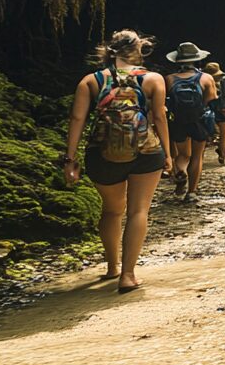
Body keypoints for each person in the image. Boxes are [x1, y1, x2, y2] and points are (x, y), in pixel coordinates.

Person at [62, 30, 171, 293]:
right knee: (138, 211)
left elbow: (77, 120)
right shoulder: (153, 79)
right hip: (146, 152)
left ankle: (112, 266)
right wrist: (167, 153)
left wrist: (70, 158)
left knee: (112, 210)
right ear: (140, 49)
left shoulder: (90, 81)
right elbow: (159, 117)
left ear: (109, 50)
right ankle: (128, 275)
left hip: (103, 154)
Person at [166, 42, 217, 203]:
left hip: (178, 121)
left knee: (182, 154)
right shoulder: (206, 78)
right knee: (197, 156)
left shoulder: (169, 79)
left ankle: (180, 170)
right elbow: (211, 98)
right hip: (199, 121)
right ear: (196, 59)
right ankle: (192, 192)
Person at [205, 62, 225, 165]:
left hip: (208, 109)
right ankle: (222, 152)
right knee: (224, 133)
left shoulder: (204, 80)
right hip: (223, 108)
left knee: (207, 132)